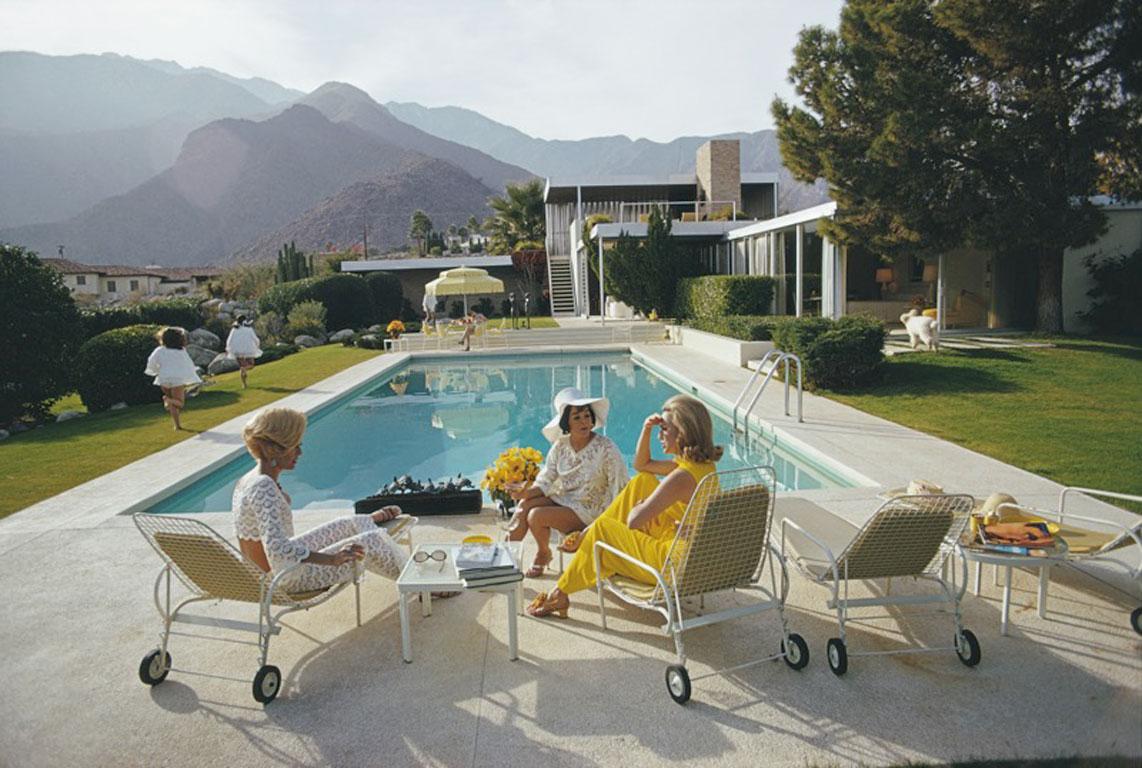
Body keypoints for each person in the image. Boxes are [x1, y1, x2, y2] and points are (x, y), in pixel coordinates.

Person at [526, 395, 723, 618]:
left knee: (605, 530)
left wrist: (640, 506)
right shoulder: (702, 467)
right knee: (643, 481)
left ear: (684, 432)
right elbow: (641, 466)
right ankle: (587, 535)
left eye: (664, 429)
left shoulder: (680, 478)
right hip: (688, 552)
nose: (660, 435)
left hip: (670, 566)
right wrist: (646, 429)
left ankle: (560, 592)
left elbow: (634, 520)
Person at [232, 407, 411, 594]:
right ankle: (419, 584)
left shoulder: (250, 479)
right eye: (295, 446)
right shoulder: (263, 486)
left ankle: (368, 520)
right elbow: (277, 550)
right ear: (275, 449)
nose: (300, 453)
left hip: (273, 570)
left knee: (347, 523)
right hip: (284, 578)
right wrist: (333, 559)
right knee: (370, 541)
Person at [506, 388, 628, 577]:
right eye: (577, 417)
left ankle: (543, 553)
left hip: (591, 510)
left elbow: (620, 488)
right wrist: (524, 493)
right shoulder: (561, 446)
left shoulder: (606, 448)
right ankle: (506, 562)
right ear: (566, 423)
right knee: (525, 506)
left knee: (536, 515)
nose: (584, 421)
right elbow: (546, 480)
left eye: (587, 415)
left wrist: (604, 526)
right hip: (565, 499)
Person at [144, 326, 202, 431]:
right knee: (179, 403)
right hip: (176, 379)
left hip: (163, 378)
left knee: (173, 405)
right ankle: (168, 400)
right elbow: (187, 364)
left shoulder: (159, 350)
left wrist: (157, 372)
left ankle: (177, 425)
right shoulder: (181, 351)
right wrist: (191, 377)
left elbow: (151, 362)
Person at [225, 315, 262, 389]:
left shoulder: (234, 330)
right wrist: (257, 345)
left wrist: (228, 349)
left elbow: (229, 340)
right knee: (251, 365)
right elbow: (255, 339)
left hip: (237, 351)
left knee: (242, 367)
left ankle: (244, 384)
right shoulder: (249, 329)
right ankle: (244, 369)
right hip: (248, 350)